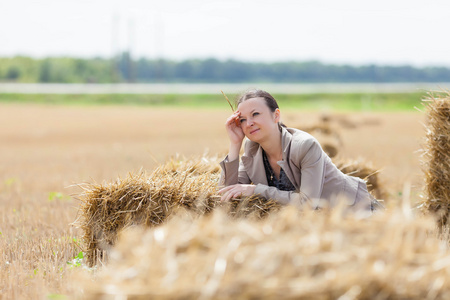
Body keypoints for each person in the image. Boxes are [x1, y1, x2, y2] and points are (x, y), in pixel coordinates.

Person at [218, 89, 380, 214]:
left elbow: (308, 203)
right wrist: (235, 144)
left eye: (255, 114)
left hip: (356, 212)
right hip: (317, 225)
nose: (249, 123)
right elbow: (226, 194)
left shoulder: (305, 145)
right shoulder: (251, 150)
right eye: (243, 120)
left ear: (276, 116)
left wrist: (256, 189)